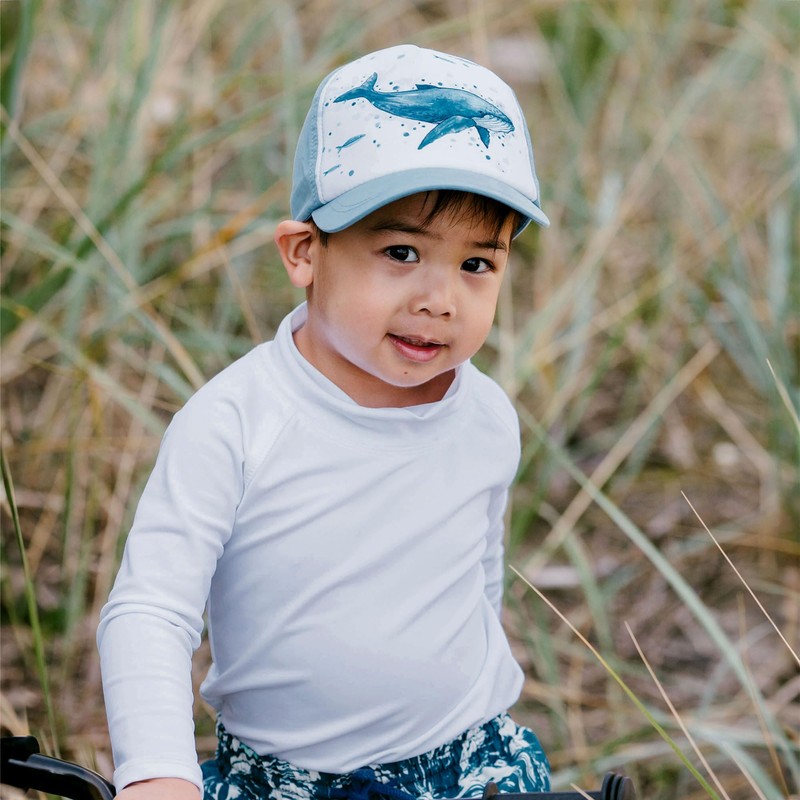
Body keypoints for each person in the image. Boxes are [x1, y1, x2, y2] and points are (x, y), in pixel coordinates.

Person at [97, 43, 552, 800]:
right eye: (401, 251)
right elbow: (151, 608)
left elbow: (478, 576)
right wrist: (157, 774)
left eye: (477, 264)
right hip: (287, 780)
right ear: (305, 252)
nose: (440, 299)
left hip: (471, 763)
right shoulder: (236, 422)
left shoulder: (485, 416)